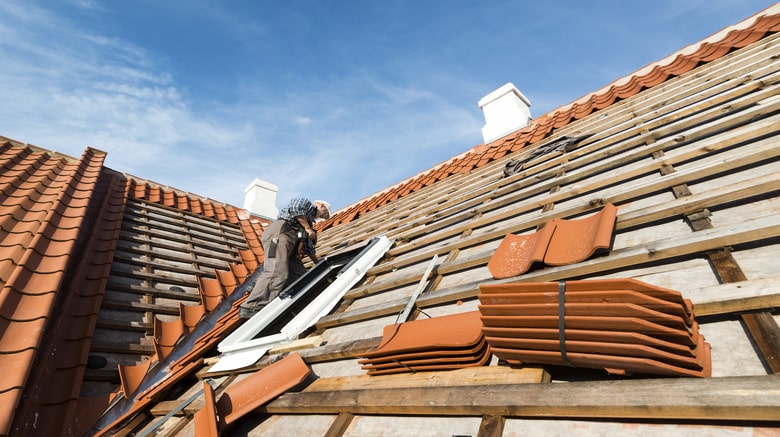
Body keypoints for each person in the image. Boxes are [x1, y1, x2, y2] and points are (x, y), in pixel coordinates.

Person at [239, 197, 331, 319]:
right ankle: (252, 306)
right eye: (324, 215)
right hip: (280, 233)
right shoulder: (306, 204)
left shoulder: (308, 223)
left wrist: (318, 263)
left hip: (291, 246)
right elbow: (295, 208)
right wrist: (307, 229)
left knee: (302, 277)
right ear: (322, 206)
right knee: (277, 270)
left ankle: (260, 287)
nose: (320, 218)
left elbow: (308, 248)